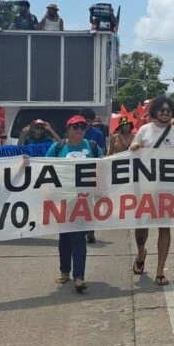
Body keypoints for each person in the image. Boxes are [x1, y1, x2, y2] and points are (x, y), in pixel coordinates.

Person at [130, 97, 174, 286]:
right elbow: (132, 153)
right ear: (154, 112)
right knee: (141, 226)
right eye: (161, 110)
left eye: (168, 110)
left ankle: (160, 270)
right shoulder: (144, 131)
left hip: (168, 186)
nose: (165, 112)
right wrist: (135, 148)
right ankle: (140, 252)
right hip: (145, 185)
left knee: (164, 226)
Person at [46, 115, 102, 290]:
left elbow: (103, 168)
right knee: (65, 238)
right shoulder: (57, 148)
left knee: (79, 238)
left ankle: (79, 276)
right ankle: (64, 271)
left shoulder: (92, 147)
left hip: (84, 201)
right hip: (63, 199)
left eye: (82, 127)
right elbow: (45, 168)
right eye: (75, 127)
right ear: (68, 129)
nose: (79, 130)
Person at [80, 109, 106, 243]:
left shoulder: (98, 133)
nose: (87, 124)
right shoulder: (76, 131)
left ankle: (90, 231)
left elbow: (102, 152)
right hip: (77, 176)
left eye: (89, 121)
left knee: (91, 204)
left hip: (92, 175)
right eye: (86, 121)